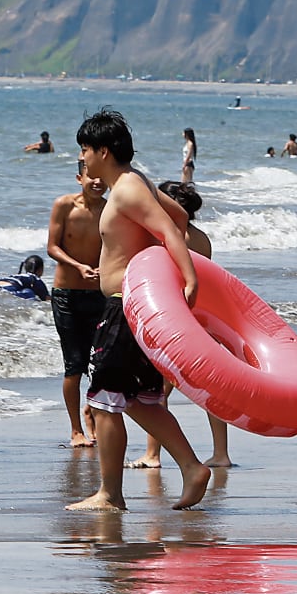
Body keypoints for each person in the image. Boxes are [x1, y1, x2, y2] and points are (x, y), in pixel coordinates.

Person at [68, 108, 211, 512]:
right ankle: (191, 467)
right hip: (133, 305)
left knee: (105, 400)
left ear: (104, 150)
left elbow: (169, 230)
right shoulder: (135, 183)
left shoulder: (128, 190)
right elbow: (180, 216)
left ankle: (110, 494)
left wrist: (189, 280)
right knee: (138, 399)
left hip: (124, 307)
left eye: (86, 150)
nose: (83, 159)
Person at [133, 181, 235, 470]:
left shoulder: (168, 237)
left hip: (176, 320)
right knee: (210, 390)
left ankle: (152, 454)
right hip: (202, 319)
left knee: (158, 390)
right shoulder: (203, 239)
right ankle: (221, 453)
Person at [46, 161, 108, 448]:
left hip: (99, 295)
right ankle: (75, 430)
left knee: (99, 363)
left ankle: (92, 411)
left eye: (102, 178)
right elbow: (52, 247)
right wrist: (78, 266)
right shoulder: (64, 206)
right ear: (79, 177)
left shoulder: (111, 210)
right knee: (74, 365)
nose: (97, 182)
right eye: (91, 177)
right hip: (66, 294)